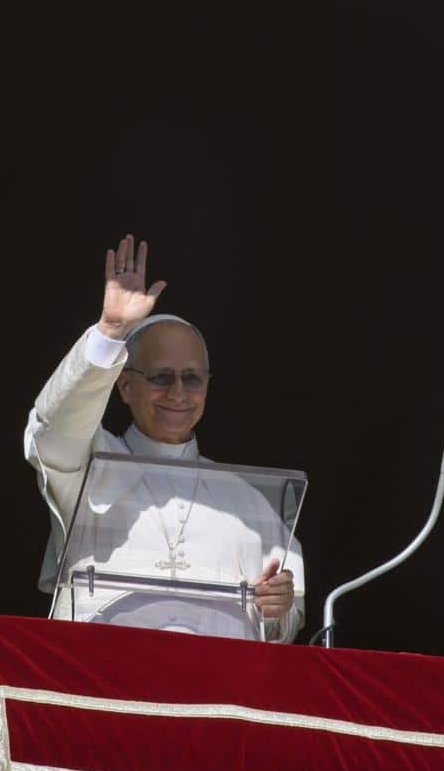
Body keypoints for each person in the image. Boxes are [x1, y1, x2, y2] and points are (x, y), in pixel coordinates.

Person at [24, 235, 304, 642]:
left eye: (192, 378)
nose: (178, 393)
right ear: (124, 387)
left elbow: (285, 619)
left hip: (214, 686)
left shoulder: (248, 501)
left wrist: (278, 607)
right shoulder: (89, 466)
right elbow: (54, 428)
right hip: (105, 670)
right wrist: (111, 330)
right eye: (160, 377)